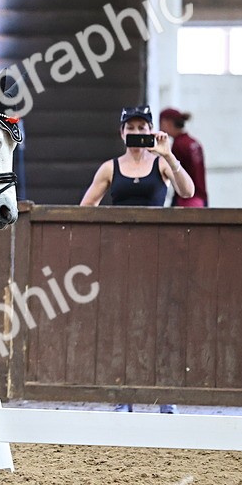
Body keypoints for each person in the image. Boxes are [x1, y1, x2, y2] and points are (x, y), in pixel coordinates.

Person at [81, 105, 196, 414]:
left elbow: (187, 190)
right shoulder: (109, 168)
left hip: (159, 254)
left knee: (161, 324)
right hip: (119, 256)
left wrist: (168, 154)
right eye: (130, 128)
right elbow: (86, 207)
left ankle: (165, 394)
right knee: (121, 324)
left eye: (142, 128)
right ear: (122, 133)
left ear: (151, 132)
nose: (136, 133)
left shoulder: (161, 164)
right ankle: (122, 394)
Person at [159, 108, 208, 207]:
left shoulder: (178, 145)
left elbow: (174, 172)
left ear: (167, 122)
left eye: (160, 123)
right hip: (201, 198)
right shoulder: (194, 142)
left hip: (186, 200)